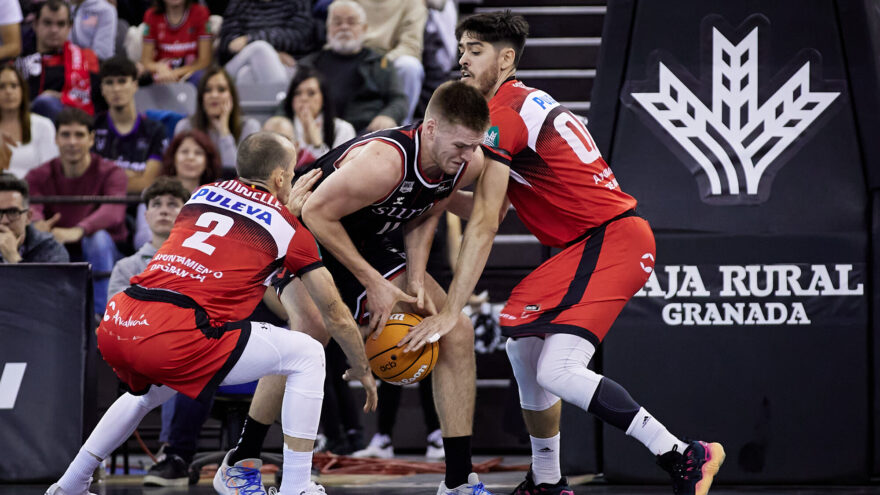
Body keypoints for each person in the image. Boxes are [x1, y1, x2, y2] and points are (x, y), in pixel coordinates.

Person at [401, 11, 726, 495]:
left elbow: (488, 222)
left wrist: (452, 310)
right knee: (523, 348)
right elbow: (497, 206)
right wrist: (433, 193)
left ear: (506, 59)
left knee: (558, 369)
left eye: (475, 50)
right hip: (591, 244)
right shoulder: (514, 107)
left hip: (610, 239)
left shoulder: (504, 114)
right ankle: (548, 480)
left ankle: (684, 454)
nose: (463, 60)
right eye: (462, 48)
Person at [45, 131, 378, 495]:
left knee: (148, 394)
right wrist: (361, 366)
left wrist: (286, 214)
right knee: (309, 354)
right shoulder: (288, 227)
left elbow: (234, 230)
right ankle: (296, 488)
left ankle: (69, 484)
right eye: (292, 175)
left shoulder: (202, 194)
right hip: (178, 329)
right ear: (281, 178)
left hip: (122, 319)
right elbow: (334, 313)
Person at [221, 80, 496, 495]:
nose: (468, 156)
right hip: (307, 228)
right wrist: (373, 282)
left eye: (474, 146)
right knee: (311, 331)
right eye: (461, 145)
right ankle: (240, 461)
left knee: (454, 329)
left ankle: (458, 479)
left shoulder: (465, 163)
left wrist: (417, 278)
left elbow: (429, 208)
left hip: (365, 239)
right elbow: (314, 212)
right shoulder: (385, 163)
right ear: (431, 128)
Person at [299, 0, 408, 133]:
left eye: (351, 22)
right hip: (319, 133)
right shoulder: (310, 64)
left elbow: (398, 99)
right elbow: (289, 101)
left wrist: (388, 115)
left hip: (366, 136)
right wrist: (280, 119)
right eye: (337, 22)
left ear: (364, 28)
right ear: (328, 28)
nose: (344, 27)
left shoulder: (379, 64)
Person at [14, 0, 104, 120]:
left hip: (73, 124)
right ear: (35, 24)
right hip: (26, 122)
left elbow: (94, 98)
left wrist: (59, 97)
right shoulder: (19, 61)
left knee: (46, 103)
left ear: (69, 27)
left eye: (61, 24)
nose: (54, 30)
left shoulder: (86, 58)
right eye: (47, 23)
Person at [93, 56, 167, 194]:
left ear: (135, 85)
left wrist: (108, 177)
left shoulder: (155, 130)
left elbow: (147, 184)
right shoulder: (93, 127)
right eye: (109, 83)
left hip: (140, 209)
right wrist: (131, 175)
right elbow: (90, 183)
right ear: (102, 89)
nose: (116, 89)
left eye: (122, 81)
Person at [107, 176, 188, 298]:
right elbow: (116, 313)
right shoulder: (124, 268)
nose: (163, 211)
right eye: (156, 204)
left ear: (186, 215)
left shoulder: (201, 268)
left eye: (172, 204)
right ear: (146, 216)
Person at [174, 66, 260, 176]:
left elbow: (237, 175)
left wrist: (224, 131)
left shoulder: (249, 127)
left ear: (232, 96)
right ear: (201, 97)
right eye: (208, 90)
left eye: (221, 90)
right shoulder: (185, 126)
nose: (214, 95)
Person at [356, 0, 427, 124]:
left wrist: (382, 63)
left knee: (409, 66)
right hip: (357, 55)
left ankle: (402, 128)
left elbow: (411, 45)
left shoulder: (413, 3)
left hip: (390, 59)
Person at [218, 0, 321, 85]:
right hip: (242, 62)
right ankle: (282, 106)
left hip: (291, 66)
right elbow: (229, 43)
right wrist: (273, 54)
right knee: (259, 52)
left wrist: (250, 40)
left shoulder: (297, 2)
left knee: (246, 74)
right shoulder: (239, 3)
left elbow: (299, 36)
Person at [279, 66, 356, 167]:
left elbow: (339, 170)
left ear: (323, 98)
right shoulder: (281, 127)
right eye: (297, 93)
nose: (304, 98)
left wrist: (316, 143)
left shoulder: (343, 129)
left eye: (311, 93)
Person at [0, 66, 59, 179]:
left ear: (22, 90)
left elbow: (50, 173)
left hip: (34, 193)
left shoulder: (43, 125)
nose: (8, 91)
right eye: (1, 86)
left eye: (14, 85)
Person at [0, 172, 69, 263]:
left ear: (28, 217)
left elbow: (57, 278)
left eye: (13, 212)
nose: (4, 221)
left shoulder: (51, 249)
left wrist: (13, 257)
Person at [141, 0, 213, 84]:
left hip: (191, 75)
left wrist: (176, 73)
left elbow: (204, 61)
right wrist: (159, 67)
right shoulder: (151, 15)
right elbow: (146, 61)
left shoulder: (201, 12)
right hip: (162, 76)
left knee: (200, 77)